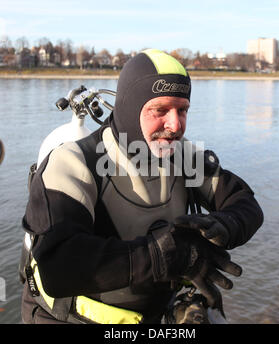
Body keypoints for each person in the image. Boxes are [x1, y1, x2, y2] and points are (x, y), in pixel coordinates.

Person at [20, 49, 263, 324]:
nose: (175, 125)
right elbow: (58, 267)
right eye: (160, 110)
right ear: (130, 108)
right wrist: (163, 256)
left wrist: (224, 225)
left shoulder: (183, 157)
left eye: (182, 110)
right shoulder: (73, 163)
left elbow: (245, 203)